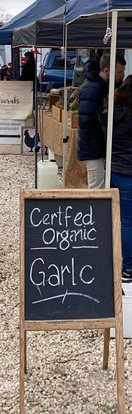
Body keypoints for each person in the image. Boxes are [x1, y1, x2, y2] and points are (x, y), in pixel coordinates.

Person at [78, 52, 126, 189]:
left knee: (100, 186)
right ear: (107, 70)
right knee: (96, 189)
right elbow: (88, 122)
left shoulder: (100, 86)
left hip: (97, 146)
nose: (122, 75)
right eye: (120, 71)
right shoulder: (94, 88)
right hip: (94, 148)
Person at [107, 84, 132, 282]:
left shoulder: (110, 115)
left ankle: (112, 260)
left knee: (115, 218)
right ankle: (128, 268)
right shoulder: (129, 118)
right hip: (127, 173)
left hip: (113, 169)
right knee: (127, 221)